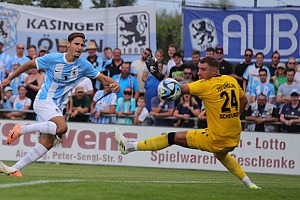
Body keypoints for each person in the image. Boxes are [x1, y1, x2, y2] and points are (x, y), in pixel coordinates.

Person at [114, 56, 261, 189]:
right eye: (199, 69)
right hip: (234, 137)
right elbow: (244, 100)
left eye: (203, 70)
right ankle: (249, 183)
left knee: (171, 137)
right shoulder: (232, 81)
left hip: (216, 138)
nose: (199, 73)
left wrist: (156, 73)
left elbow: (177, 87)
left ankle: (130, 147)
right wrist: (234, 115)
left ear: (215, 71)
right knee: (221, 154)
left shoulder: (206, 85)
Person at [0, 32, 119, 177]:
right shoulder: (53, 59)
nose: (80, 47)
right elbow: (29, 64)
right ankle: (21, 129)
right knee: (62, 128)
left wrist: (114, 83)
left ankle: (14, 169)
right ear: (68, 44)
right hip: (44, 100)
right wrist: (9, 79)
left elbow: (102, 78)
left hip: (56, 106)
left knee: (47, 143)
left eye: (82, 45)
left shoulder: (84, 65)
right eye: (76, 44)